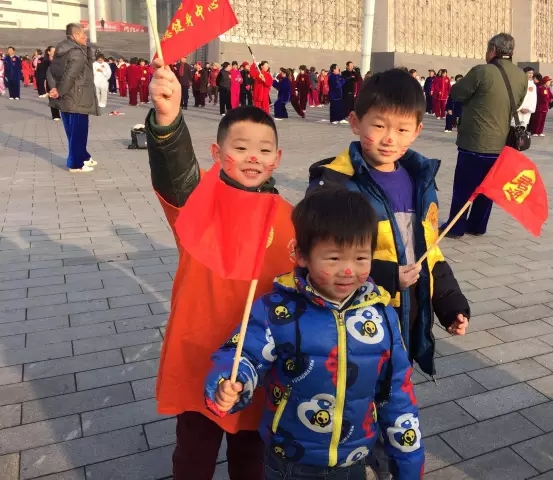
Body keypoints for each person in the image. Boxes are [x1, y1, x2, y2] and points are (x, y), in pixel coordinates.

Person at [306, 67, 469, 479]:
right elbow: (322, 256)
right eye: (378, 125)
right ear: (355, 121)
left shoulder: (420, 180)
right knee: (357, 402)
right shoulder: (335, 183)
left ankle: (387, 464)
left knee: (395, 401)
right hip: (354, 322)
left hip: (405, 320)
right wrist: (386, 275)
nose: (388, 138)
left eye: (401, 128)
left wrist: (450, 303)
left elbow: (429, 252)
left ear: (417, 130)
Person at [205, 188, 425, 480]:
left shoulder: (382, 314)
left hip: (353, 460)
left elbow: (396, 391)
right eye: (333, 258)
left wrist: (409, 462)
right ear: (301, 255)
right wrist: (230, 381)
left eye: (361, 258)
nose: (348, 270)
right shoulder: (277, 310)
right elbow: (244, 354)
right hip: (290, 461)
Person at [145, 57, 295, 479]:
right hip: (200, 352)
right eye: (240, 148)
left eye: (263, 150)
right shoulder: (199, 205)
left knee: (252, 456)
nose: (253, 158)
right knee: (194, 454)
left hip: (258, 359)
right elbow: (176, 175)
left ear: (277, 157)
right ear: (217, 153)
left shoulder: (294, 219)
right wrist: (168, 119)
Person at [441, 32, 527, 238]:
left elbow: (457, 93)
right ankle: (477, 226)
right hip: (501, 143)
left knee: (464, 187)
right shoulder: (521, 75)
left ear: (493, 50)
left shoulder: (482, 71)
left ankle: (456, 227)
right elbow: (518, 103)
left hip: (475, 140)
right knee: (488, 187)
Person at [47, 23, 99, 172]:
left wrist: (54, 88)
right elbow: (70, 76)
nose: (86, 38)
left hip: (66, 99)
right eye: (84, 35)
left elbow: (50, 71)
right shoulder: (76, 53)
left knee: (72, 131)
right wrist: (59, 91)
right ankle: (75, 164)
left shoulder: (60, 51)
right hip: (77, 97)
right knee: (78, 132)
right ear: (75, 36)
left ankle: (83, 156)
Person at [41, 46, 61, 121]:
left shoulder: (59, 61)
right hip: (49, 82)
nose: (54, 52)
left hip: (60, 82)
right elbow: (42, 73)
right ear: (48, 52)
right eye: (52, 51)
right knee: (53, 98)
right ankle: (56, 115)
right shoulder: (45, 62)